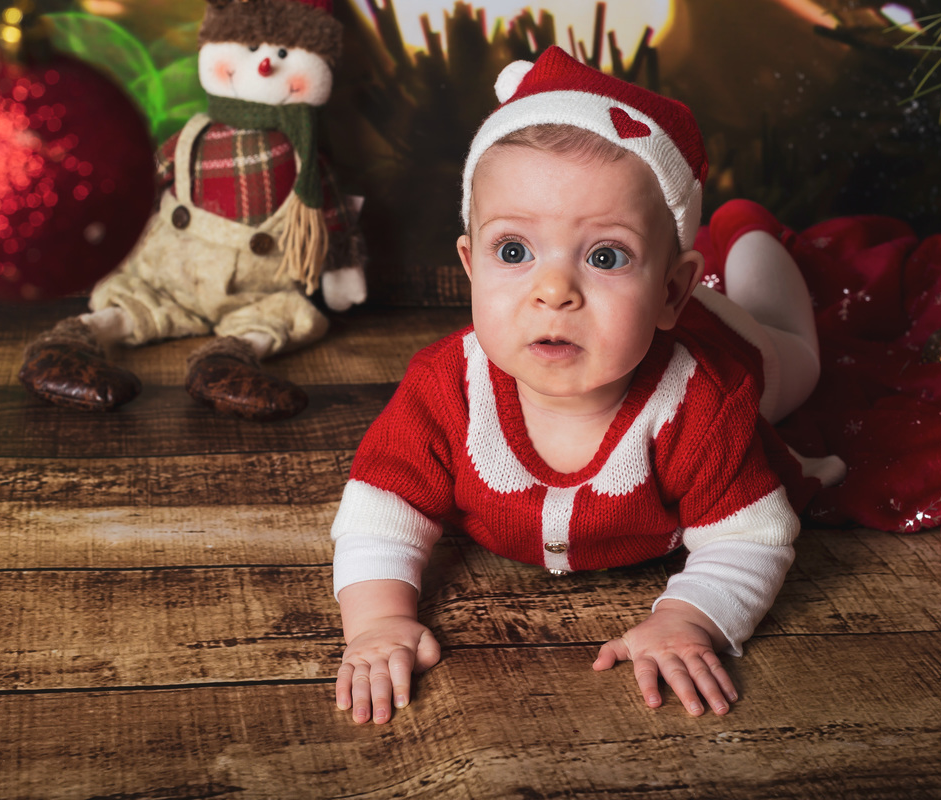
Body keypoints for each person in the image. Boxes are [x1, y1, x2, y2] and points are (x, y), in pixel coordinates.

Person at [330, 46, 842, 725]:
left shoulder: (704, 400)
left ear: (670, 290)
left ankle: (754, 237)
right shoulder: (446, 387)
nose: (553, 291)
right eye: (514, 251)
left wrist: (689, 618)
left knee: (801, 363)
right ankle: (716, 240)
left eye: (606, 256)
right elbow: (379, 507)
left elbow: (752, 537)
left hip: (728, 342)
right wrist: (377, 621)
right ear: (470, 265)